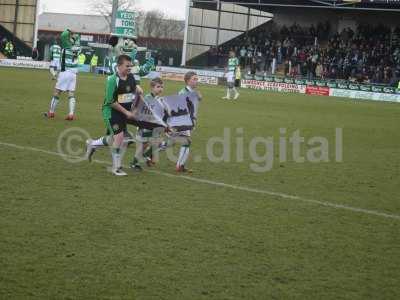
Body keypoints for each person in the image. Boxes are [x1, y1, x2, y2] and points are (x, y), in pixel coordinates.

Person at [87, 55, 143, 176]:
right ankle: (116, 168)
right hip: (111, 112)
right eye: (127, 66)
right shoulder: (112, 80)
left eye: (130, 66)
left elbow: (135, 91)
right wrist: (127, 112)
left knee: (113, 139)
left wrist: (138, 90)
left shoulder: (131, 77)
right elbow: (110, 102)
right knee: (119, 138)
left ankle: (92, 144)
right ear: (119, 66)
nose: (130, 68)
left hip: (123, 111)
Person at [160, 71, 202, 172]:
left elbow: (193, 108)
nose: (197, 81)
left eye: (197, 79)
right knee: (186, 142)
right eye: (194, 79)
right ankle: (180, 166)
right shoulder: (184, 93)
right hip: (180, 122)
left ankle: (153, 150)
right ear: (187, 81)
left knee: (172, 142)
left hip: (187, 121)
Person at [130, 77, 166, 171]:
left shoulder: (160, 100)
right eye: (158, 87)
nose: (160, 89)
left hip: (154, 127)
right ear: (152, 87)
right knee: (147, 145)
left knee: (151, 144)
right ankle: (139, 160)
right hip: (145, 126)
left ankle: (139, 160)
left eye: (162, 87)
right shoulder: (147, 98)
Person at [44, 29, 80, 120]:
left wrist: (69, 31)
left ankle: (51, 112)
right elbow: (76, 37)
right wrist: (74, 36)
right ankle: (71, 114)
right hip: (73, 74)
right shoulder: (77, 48)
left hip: (65, 72)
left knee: (57, 92)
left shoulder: (67, 46)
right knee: (71, 94)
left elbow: (64, 35)